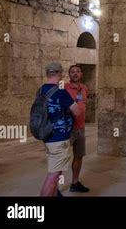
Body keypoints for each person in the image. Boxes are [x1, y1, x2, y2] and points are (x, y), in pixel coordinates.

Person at [39, 62, 80, 197]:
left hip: (47, 136)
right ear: (60, 73)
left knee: (53, 173)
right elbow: (77, 111)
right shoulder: (60, 92)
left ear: (47, 74)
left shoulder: (41, 90)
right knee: (53, 177)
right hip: (58, 139)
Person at [64, 65, 90, 193]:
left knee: (79, 156)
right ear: (69, 74)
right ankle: (55, 187)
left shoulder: (84, 88)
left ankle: (74, 183)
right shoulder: (64, 88)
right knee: (62, 158)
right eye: (72, 72)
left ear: (81, 74)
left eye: (77, 71)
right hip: (68, 129)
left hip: (81, 128)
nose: (75, 74)